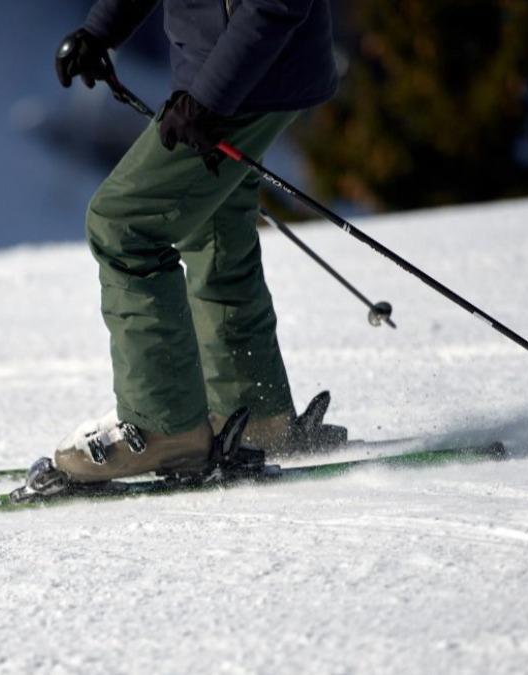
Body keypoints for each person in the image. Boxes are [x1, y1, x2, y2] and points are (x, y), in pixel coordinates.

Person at [49, 0, 345, 483]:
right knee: (212, 229)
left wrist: (210, 99)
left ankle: (164, 429)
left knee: (122, 223)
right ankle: (254, 414)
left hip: (248, 77)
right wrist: (102, 30)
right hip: (228, 75)